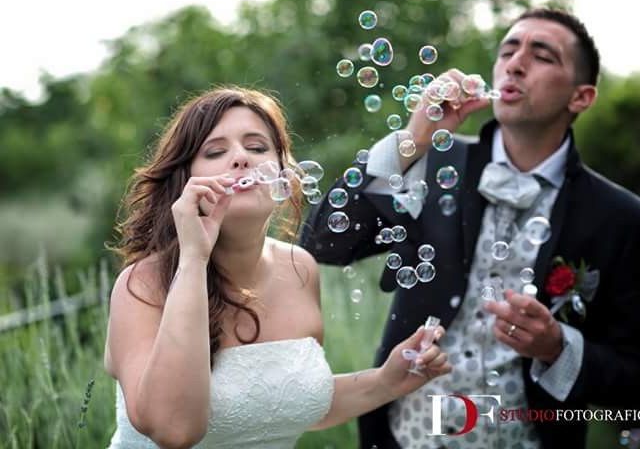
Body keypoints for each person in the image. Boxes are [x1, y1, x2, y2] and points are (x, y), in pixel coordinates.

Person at [301, 8, 640, 449]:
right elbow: (323, 241)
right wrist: (413, 140)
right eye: (508, 50)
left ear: (582, 97)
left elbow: (633, 377)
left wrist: (559, 347)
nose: (515, 63)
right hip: (404, 437)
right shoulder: (433, 159)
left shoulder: (619, 216)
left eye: (542, 56)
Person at [103, 86, 452, 449]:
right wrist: (193, 258)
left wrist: (385, 382)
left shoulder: (299, 268)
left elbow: (286, 404)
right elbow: (175, 430)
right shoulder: (143, 284)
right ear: (183, 180)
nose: (240, 159)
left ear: (285, 177)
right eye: (216, 151)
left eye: (256, 148)